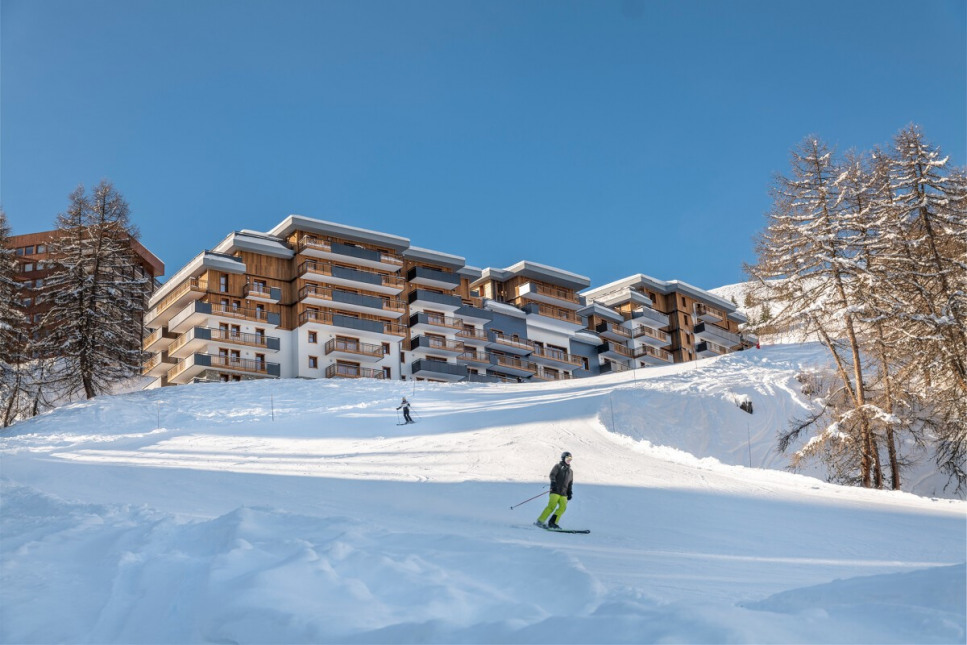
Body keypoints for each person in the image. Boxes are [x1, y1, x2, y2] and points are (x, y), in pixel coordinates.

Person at [535, 451, 573, 529]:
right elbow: (552, 475)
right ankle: (540, 521)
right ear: (563, 458)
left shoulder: (570, 471)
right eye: (567, 458)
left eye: (570, 458)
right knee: (552, 506)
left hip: (564, 493)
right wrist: (553, 483)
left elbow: (570, 483)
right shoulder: (558, 466)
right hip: (555, 491)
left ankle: (553, 523)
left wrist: (569, 492)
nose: (569, 460)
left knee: (563, 508)